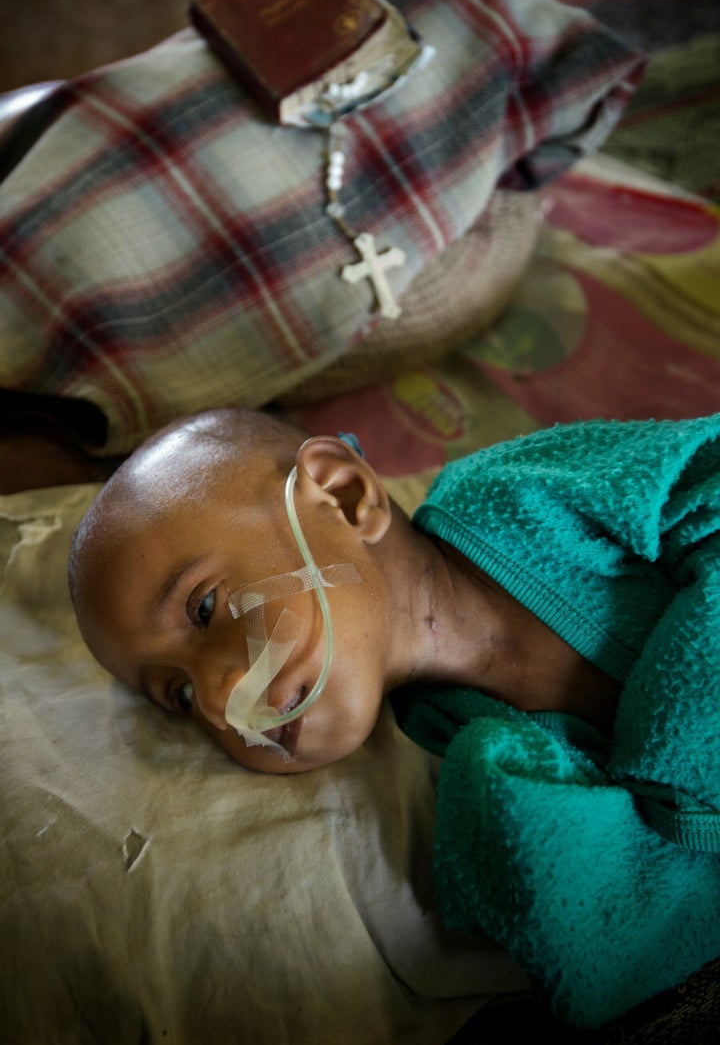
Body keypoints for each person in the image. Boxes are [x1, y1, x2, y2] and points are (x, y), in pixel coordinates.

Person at [68, 405, 720, 1029]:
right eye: (178, 696)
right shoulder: (472, 753)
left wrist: (679, 755)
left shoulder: (519, 496)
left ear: (344, 497)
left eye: (206, 607)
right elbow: (627, 926)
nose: (215, 700)